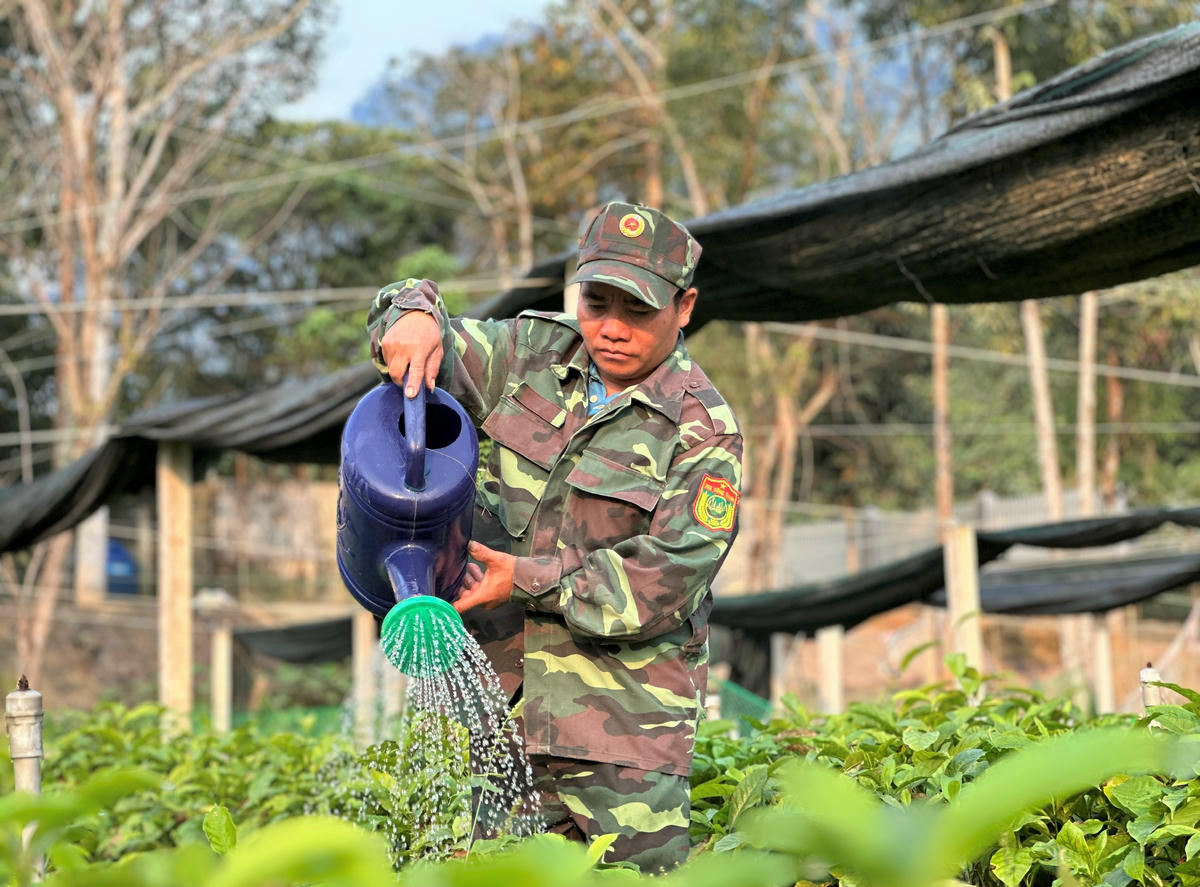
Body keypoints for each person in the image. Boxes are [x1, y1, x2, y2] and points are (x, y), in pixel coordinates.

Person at [367, 201, 742, 872]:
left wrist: (528, 578)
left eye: (639, 310)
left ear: (684, 307)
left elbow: (669, 574)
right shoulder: (527, 355)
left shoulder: (703, 430)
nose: (612, 328)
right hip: (498, 724)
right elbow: (426, 331)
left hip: (623, 745)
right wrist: (412, 315)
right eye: (597, 303)